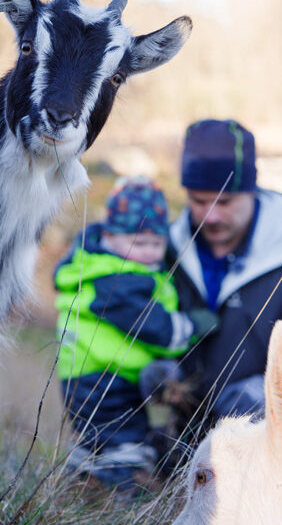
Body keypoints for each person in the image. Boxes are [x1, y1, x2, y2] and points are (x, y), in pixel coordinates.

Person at [167, 118, 282, 426]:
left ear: (252, 190)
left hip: (266, 441)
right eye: (199, 201)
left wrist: (266, 399)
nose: (211, 216)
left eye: (225, 202)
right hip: (183, 442)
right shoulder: (167, 249)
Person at [54, 177, 218, 491]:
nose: (147, 252)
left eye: (156, 244)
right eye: (138, 243)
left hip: (104, 374)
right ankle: (125, 493)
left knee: (99, 438)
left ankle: (81, 476)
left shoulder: (124, 269)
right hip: (101, 379)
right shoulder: (114, 281)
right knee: (125, 441)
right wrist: (194, 325)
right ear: (110, 236)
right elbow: (154, 326)